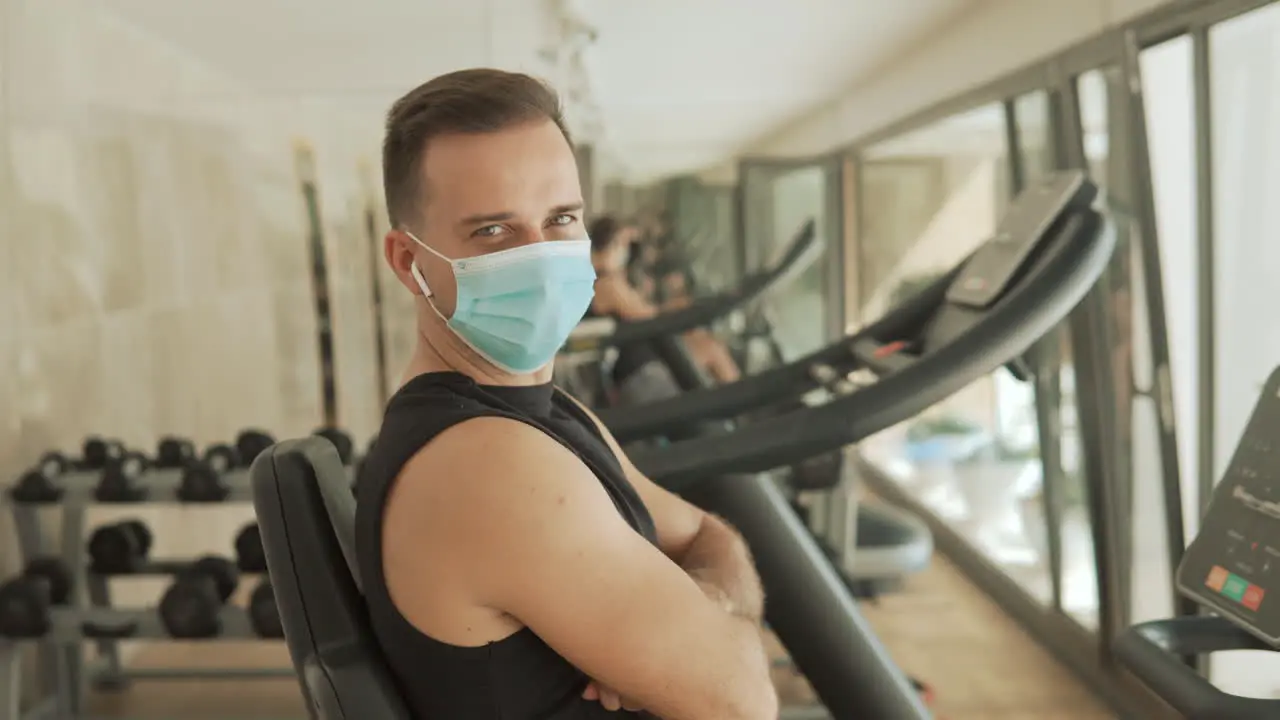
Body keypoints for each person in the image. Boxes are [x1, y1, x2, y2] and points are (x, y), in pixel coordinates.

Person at [354, 68, 777, 720]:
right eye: (493, 231)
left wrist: (711, 607)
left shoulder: (544, 414)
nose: (542, 256)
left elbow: (706, 533)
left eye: (560, 219)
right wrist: (703, 623)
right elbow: (742, 700)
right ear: (409, 262)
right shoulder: (487, 462)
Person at [589, 215, 743, 384]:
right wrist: (678, 307)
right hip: (639, 367)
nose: (629, 253)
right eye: (627, 245)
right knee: (711, 349)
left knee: (705, 343)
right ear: (614, 244)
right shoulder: (608, 285)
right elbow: (649, 317)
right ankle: (742, 402)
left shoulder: (608, 281)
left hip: (644, 356)